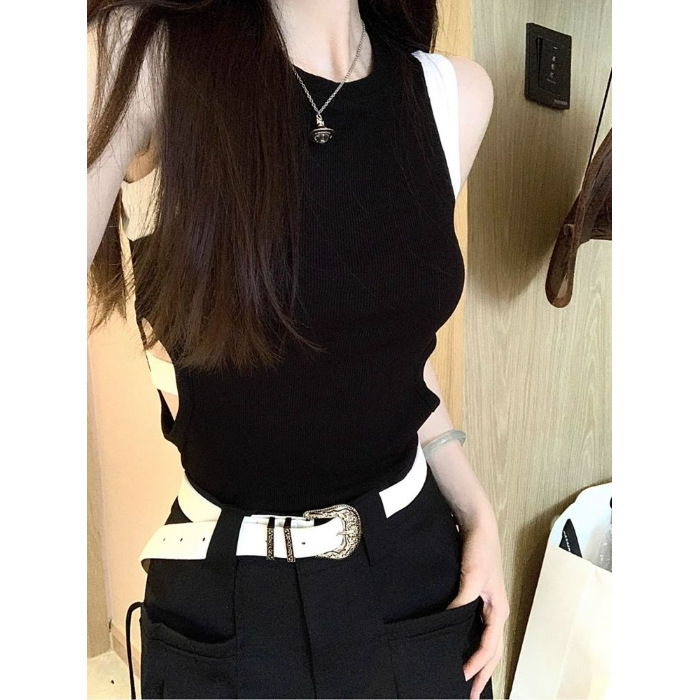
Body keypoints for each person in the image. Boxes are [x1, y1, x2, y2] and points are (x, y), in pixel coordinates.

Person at [87, 1, 509, 698]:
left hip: (417, 582)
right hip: (224, 604)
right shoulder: (147, 55)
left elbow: (390, 357)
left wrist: (478, 511)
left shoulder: (453, 95)